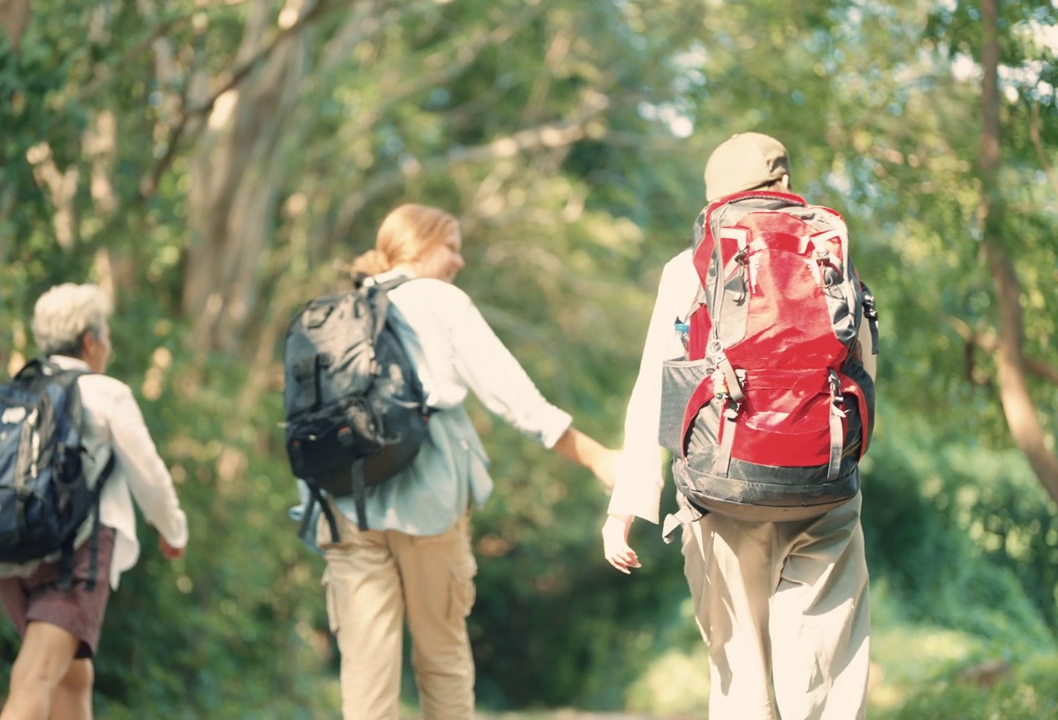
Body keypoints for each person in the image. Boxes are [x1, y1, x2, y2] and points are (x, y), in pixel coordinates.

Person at [300, 203, 618, 720]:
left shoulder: (341, 310)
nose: (459, 261)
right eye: (453, 247)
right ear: (422, 247)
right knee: (441, 654)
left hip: (344, 502)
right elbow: (514, 397)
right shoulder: (437, 300)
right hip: (426, 494)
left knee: (365, 667)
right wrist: (596, 455)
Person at [601, 133, 876, 720]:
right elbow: (864, 367)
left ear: (714, 196)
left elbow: (658, 385)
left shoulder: (692, 264)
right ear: (784, 183)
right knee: (824, 668)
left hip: (722, 489)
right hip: (822, 488)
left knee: (743, 676)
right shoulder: (831, 252)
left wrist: (626, 505)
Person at [0, 283, 189, 720]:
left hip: (5, 553)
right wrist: (173, 530)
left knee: (73, 676)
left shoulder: (9, 393)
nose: (108, 345)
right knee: (36, 677)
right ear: (89, 339)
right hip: (74, 555)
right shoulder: (105, 393)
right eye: (106, 335)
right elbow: (150, 475)